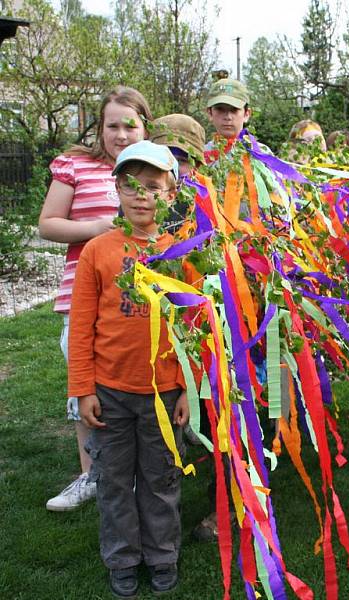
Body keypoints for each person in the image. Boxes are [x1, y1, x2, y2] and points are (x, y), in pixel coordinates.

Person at [70, 140, 189, 598]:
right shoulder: (98, 251)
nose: (142, 195)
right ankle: (122, 558)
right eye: (131, 185)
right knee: (115, 481)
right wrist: (84, 388)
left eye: (153, 186)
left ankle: (162, 555)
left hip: (163, 394)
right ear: (116, 189)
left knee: (160, 481)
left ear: (170, 194)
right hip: (111, 391)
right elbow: (82, 327)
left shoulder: (183, 252)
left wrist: (185, 389)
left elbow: (192, 328)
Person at [39, 86, 152, 512]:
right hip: (82, 294)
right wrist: (99, 228)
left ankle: (139, 475)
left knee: (135, 386)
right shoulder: (77, 165)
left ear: (145, 127)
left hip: (139, 302)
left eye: (130, 125)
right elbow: (47, 224)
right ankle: (90, 474)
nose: (121, 134)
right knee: (84, 383)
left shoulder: (154, 171)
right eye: (112, 125)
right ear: (99, 128)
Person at [150, 113, 206, 234]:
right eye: (164, 158)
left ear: (196, 166)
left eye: (181, 161)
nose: (172, 167)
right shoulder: (138, 199)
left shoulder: (205, 204)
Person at [205, 77, 252, 161]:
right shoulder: (199, 156)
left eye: (234, 109)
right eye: (220, 109)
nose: (228, 117)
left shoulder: (261, 155)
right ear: (210, 113)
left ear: (246, 114)